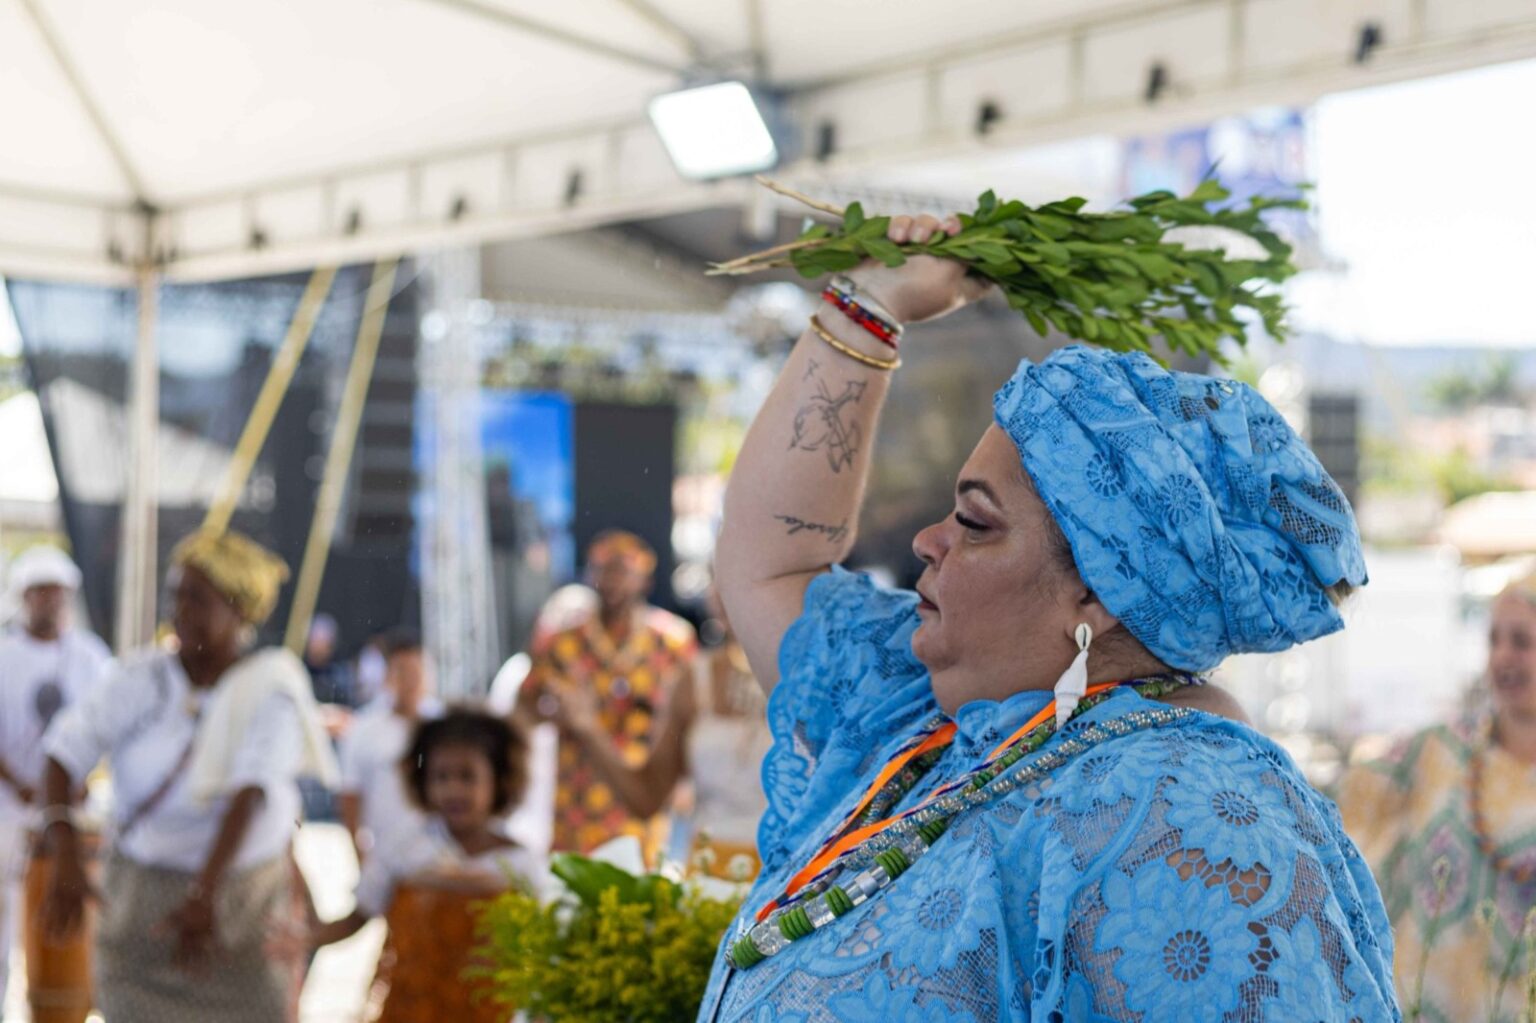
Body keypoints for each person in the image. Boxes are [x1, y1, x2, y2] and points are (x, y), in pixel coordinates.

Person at [697, 215, 1398, 1021]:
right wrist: (869, 303)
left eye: (975, 521)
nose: (929, 540)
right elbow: (770, 561)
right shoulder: (940, 718)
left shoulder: (1192, 813)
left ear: (1097, 594)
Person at [38, 528, 337, 1023]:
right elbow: (63, 753)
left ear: (239, 609)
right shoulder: (141, 676)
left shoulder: (273, 687)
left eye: (197, 598)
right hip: (137, 905)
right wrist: (65, 855)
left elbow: (250, 792)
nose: (179, 610)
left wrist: (205, 895)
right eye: (175, 595)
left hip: (240, 911)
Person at [1337, 570, 1536, 1020]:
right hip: (1425, 1004)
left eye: (1521, 641)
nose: (1503, 656)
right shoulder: (1438, 751)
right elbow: (1341, 806)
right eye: (1494, 640)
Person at [288, 709, 537, 1021]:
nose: (453, 790)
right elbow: (359, 916)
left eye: (467, 776)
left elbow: (540, 950)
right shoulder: (403, 849)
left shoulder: (521, 864)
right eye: (441, 777)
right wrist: (307, 937)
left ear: (499, 781)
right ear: (422, 782)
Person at [552, 588, 770, 880]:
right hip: (712, 879)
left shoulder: (819, 675)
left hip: (803, 873)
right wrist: (588, 728)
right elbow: (646, 797)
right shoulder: (694, 681)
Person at [516, 531, 697, 860]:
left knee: (639, 891)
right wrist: (555, 716)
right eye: (603, 570)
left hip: (643, 788)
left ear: (644, 579)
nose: (612, 581)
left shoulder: (672, 642)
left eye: (622, 571)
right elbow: (523, 704)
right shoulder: (563, 640)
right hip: (578, 797)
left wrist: (684, 779)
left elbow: (690, 716)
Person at [0, 546, 112, 1010]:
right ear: (24, 596)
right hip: (7, 812)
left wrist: (77, 783)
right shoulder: (4, 653)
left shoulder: (90, 655)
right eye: (41, 591)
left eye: (58, 592)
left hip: (71, 818)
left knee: (68, 921)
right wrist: (21, 785)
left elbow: (108, 725)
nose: (50, 600)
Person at [337, 627, 442, 861]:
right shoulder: (363, 729)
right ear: (388, 676)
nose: (411, 681)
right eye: (403, 672)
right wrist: (359, 855)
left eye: (417, 671)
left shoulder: (444, 726)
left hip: (440, 858)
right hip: (384, 859)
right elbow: (350, 796)